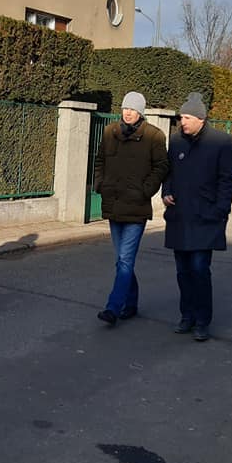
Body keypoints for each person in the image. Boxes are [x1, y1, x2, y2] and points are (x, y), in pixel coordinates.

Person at [161, 92, 232, 341]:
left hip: (206, 218)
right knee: (182, 271)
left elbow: (226, 181)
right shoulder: (177, 141)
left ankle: (203, 320)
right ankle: (187, 316)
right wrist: (167, 191)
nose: (183, 121)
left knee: (200, 269)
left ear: (201, 119)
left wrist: (220, 210)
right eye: (181, 117)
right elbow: (168, 172)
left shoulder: (221, 142)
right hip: (180, 216)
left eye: (187, 117)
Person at [93, 91, 169, 326]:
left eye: (133, 109)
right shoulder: (109, 132)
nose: (128, 113)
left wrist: (145, 190)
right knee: (121, 260)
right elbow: (99, 161)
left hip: (136, 207)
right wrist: (100, 184)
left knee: (125, 260)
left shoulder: (154, 136)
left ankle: (113, 308)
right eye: (126, 108)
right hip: (114, 204)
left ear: (140, 113)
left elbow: (161, 166)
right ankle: (132, 303)